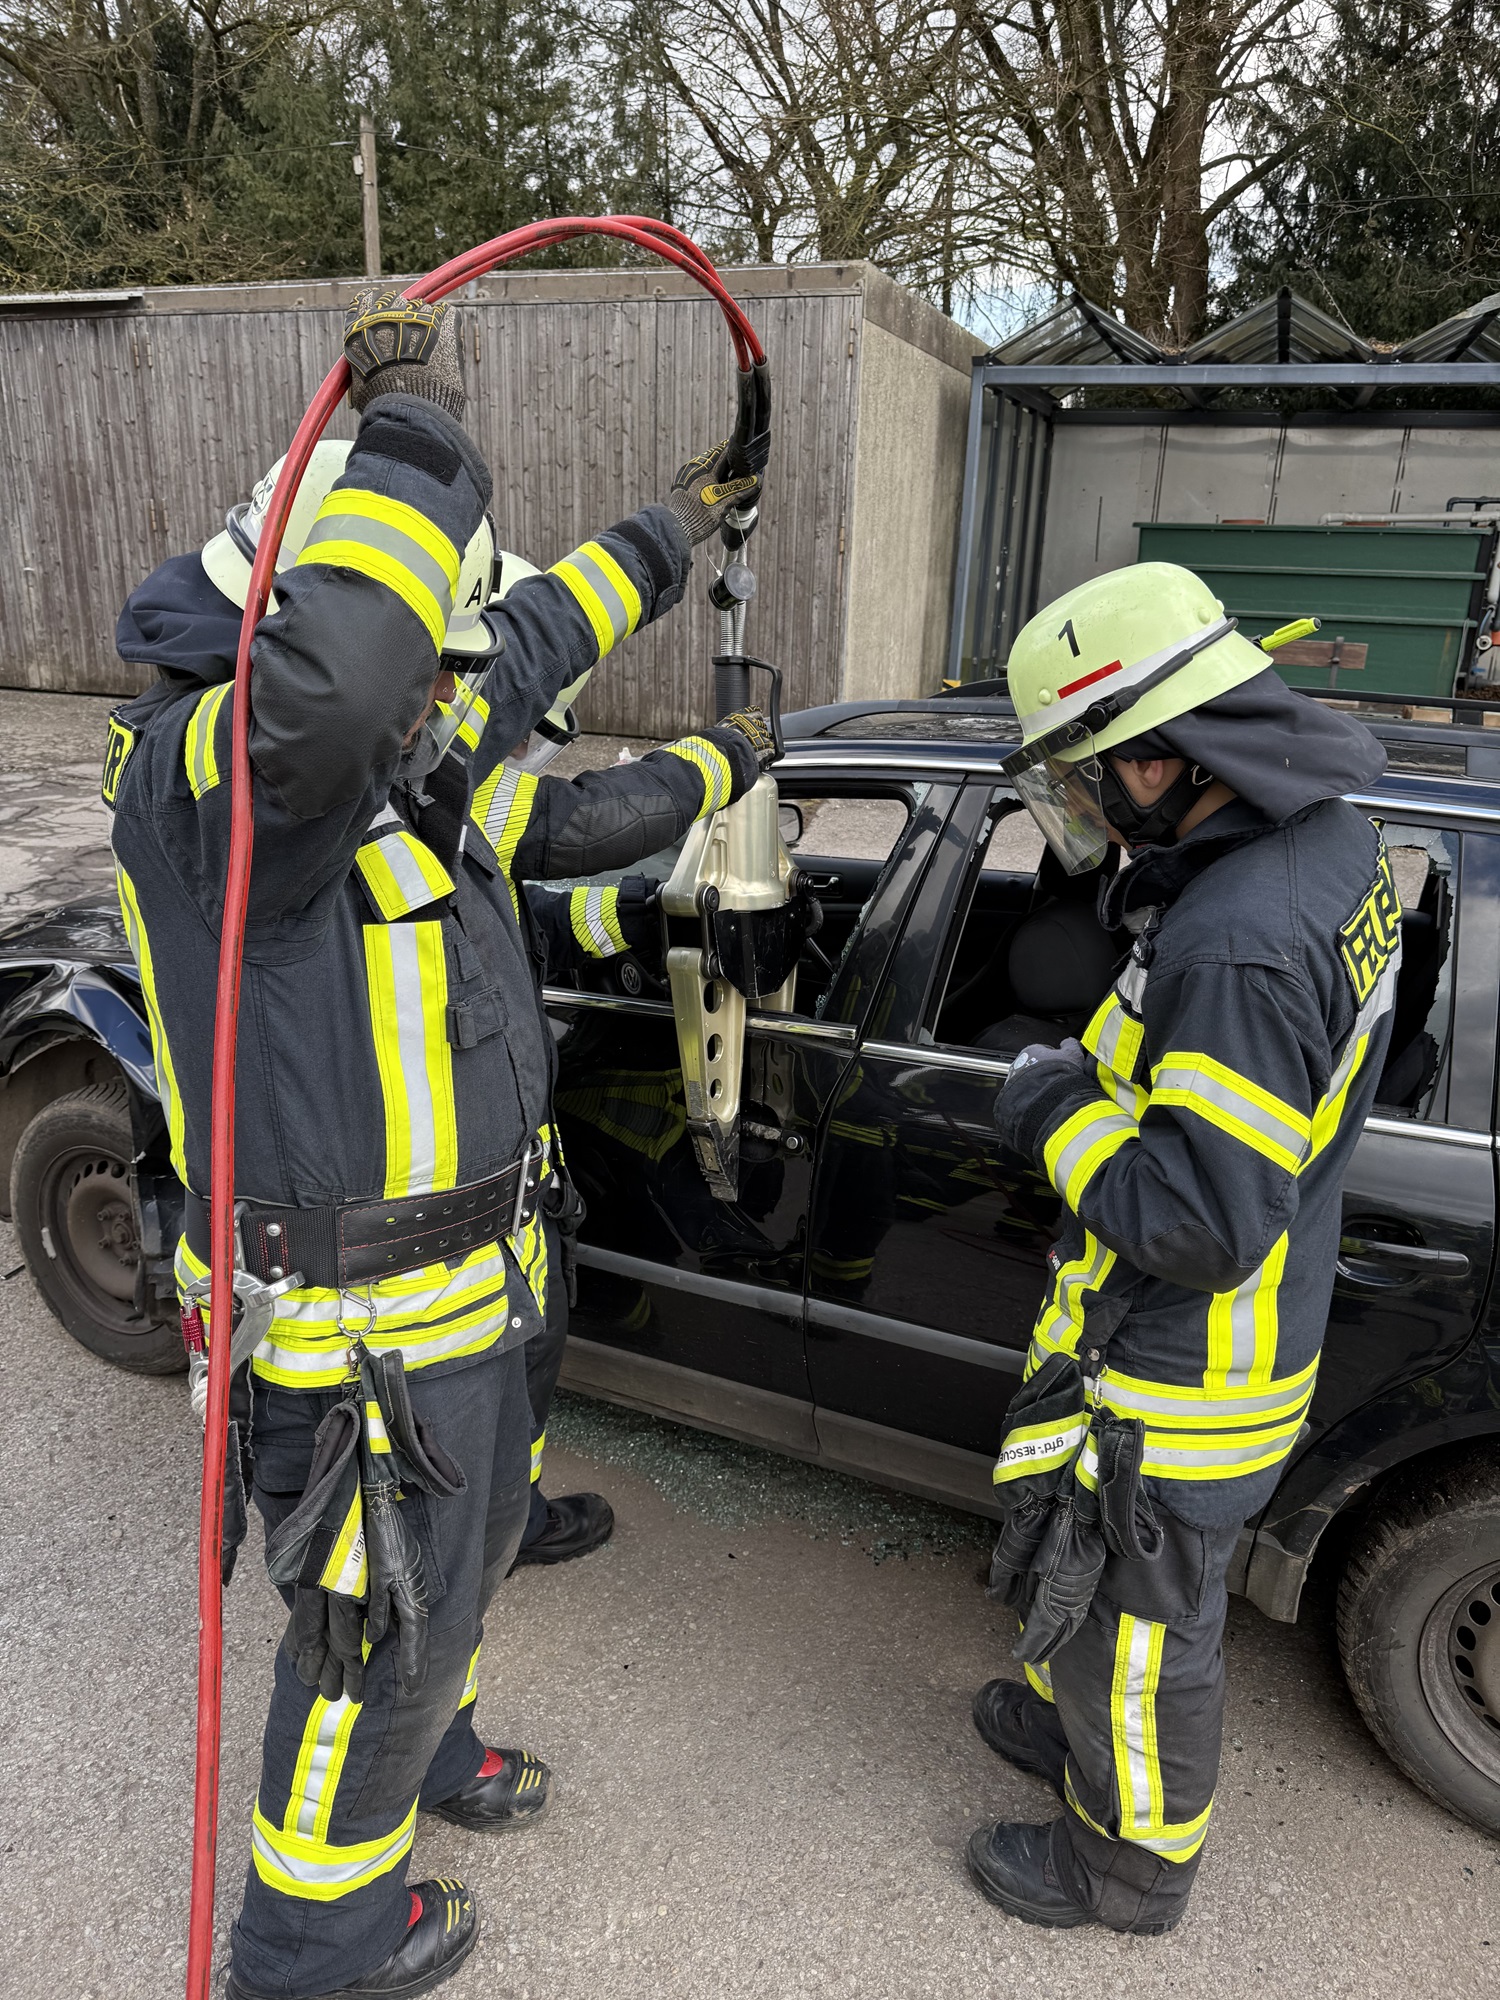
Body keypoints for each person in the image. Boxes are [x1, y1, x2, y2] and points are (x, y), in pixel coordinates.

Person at [108, 287, 771, 2000]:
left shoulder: (386, 767)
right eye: (429, 674)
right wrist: (413, 438)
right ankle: (313, 1945)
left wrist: (680, 526)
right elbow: (348, 690)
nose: (456, 706)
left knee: (442, 1593)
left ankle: (435, 1755)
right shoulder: (217, 780)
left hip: (455, 1307)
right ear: (294, 629)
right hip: (355, 1340)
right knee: (367, 1643)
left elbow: (524, 646)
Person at [969, 561, 1398, 1935]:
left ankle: (1127, 1868)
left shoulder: (1237, 944)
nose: (1083, 803)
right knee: (1102, 1602)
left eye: (1085, 773)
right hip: (1248, 1329)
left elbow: (1200, 1222)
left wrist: (1051, 1110)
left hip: (1185, 1367)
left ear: (1160, 758)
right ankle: (1073, 1732)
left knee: (1145, 1630)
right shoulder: (1327, 843)